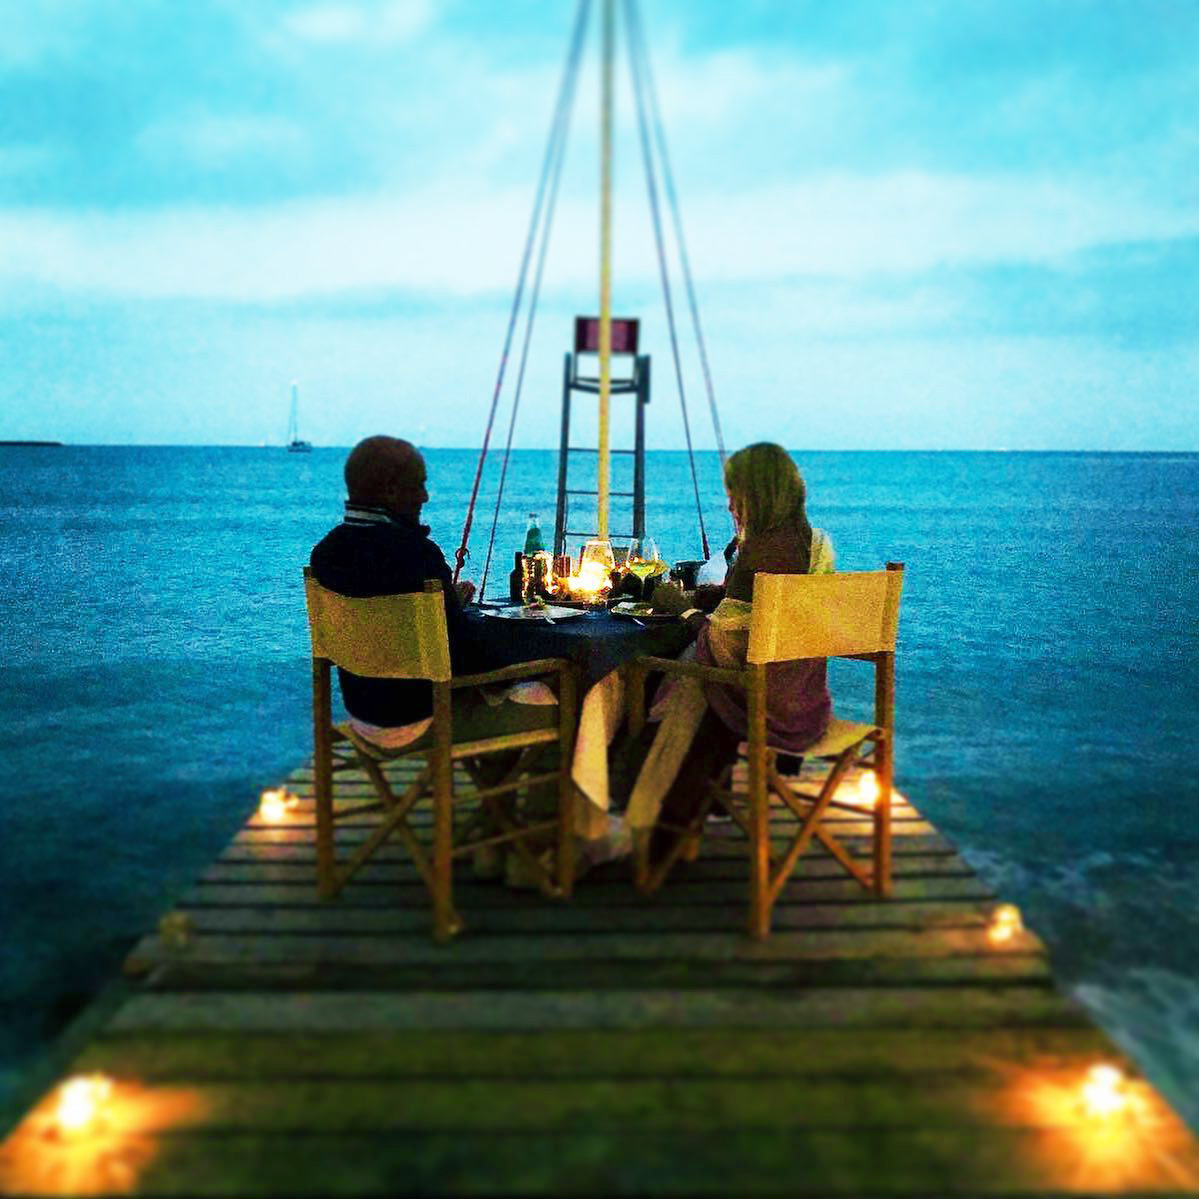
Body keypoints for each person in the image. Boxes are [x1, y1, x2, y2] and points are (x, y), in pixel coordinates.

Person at [630, 442, 835, 864]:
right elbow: (751, 617)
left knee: (654, 679)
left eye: (734, 494)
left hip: (756, 700)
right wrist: (712, 597)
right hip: (801, 695)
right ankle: (688, 816)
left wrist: (680, 608)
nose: (728, 505)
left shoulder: (763, 552)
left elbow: (724, 642)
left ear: (757, 494)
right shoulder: (808, 542)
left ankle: (651, 824)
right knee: (691, 681)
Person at [309, 435, 558, 768]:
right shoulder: (417, 555)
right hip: (425, 722)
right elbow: (465, 657)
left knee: (508, 692)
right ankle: (535, 812)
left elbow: (387, 619)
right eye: (419, 486)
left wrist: (444, 604)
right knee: (563, 692)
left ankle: (497, 807)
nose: (425, 496)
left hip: (365, 721)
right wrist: (526, 662)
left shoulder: (326, 554)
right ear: (391, 491)